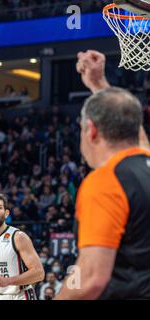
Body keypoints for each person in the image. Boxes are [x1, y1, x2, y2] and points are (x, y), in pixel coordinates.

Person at [55, 50, 150, 299]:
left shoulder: (106, 182)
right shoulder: (144, 164)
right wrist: (99, 85)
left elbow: (91, 279)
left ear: (92, 131)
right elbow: (136, 135)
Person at [0, 193, 44, 300]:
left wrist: (8, 281)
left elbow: (39, 273)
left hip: (21, 296)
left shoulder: (18, 237)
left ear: (6, 213)